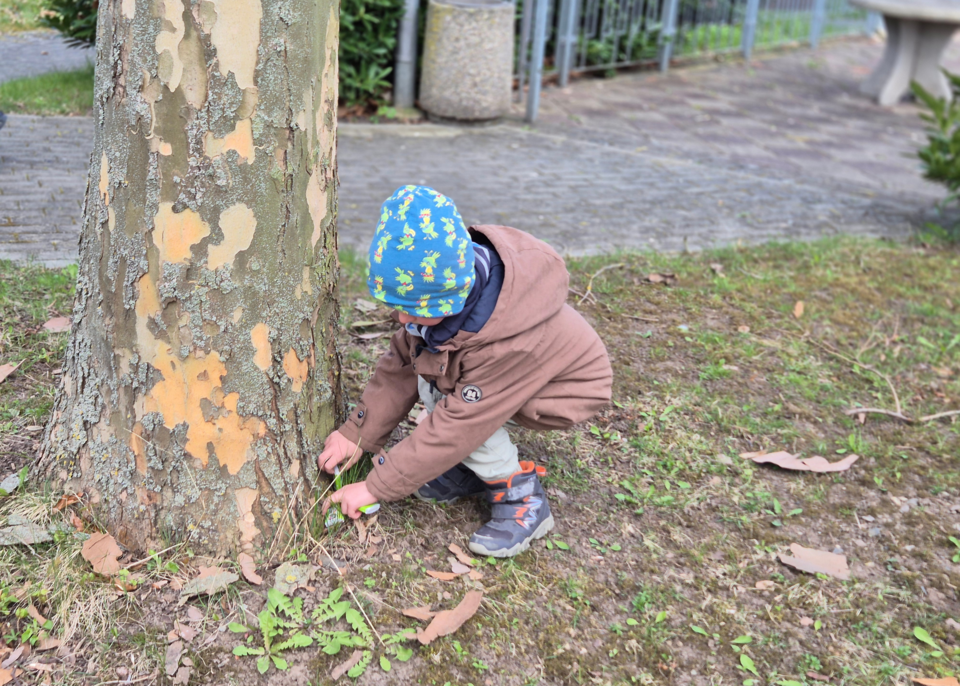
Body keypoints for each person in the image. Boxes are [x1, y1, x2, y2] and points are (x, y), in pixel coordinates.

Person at [320, 185, 612, 557]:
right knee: (435, 384)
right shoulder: (441, 304)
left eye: (413, 309)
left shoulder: (503, 342)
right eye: (397, 306)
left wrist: (375, 487)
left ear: (450, 299)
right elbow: (401, 366)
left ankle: (522, 498)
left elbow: (459, 425)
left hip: (563, 390)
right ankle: (470, 471)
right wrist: (357, 434)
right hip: (511, 377)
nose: (403, 319)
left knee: (450, 402)